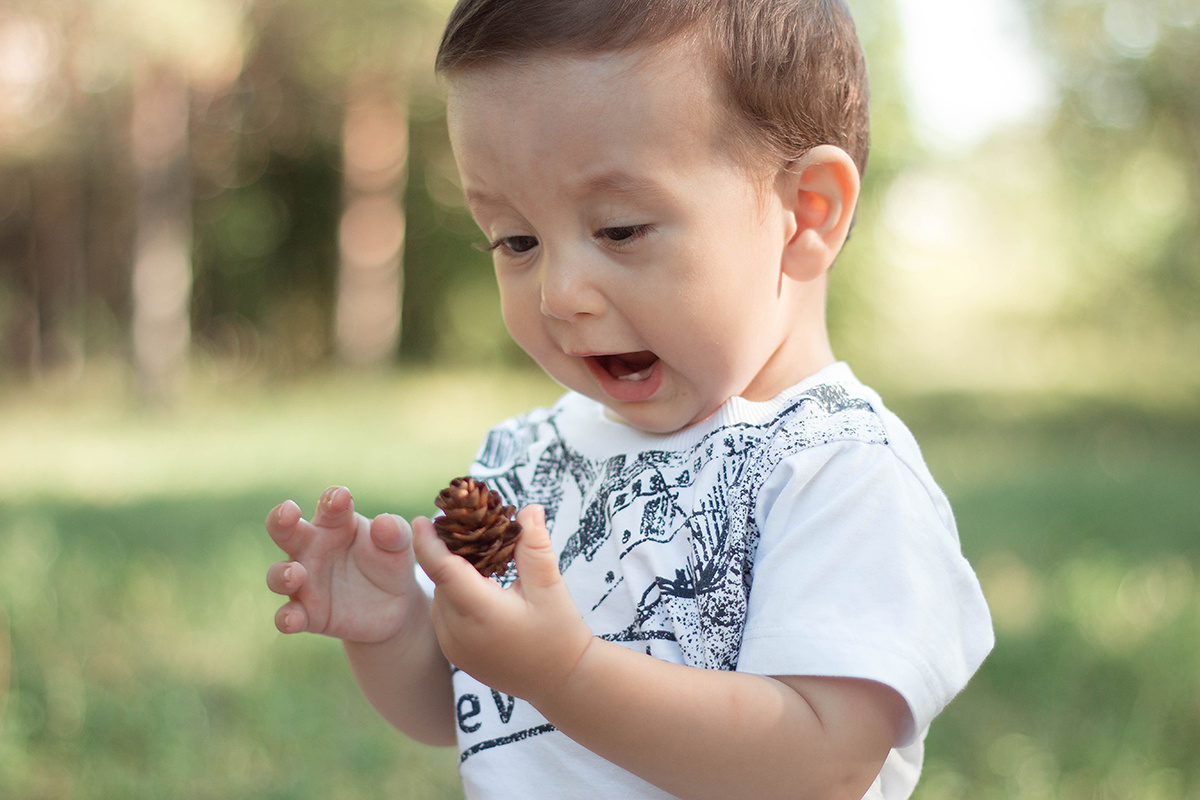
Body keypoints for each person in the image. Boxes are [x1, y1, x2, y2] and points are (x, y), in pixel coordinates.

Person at [265, 1, 994, 797]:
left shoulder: (839, 472)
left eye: (619, 230)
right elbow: (463, 704)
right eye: (516, 240)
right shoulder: (526, 461)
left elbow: (821, 761)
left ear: (805, 214)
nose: (561, 293)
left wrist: (568, 673)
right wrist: (398, 629)